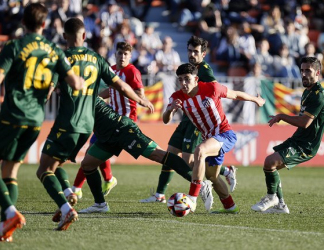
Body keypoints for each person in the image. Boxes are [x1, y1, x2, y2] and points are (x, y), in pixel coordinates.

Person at [0, 3, 82, 242]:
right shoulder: (54, 50)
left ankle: (10, 213)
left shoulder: (14, 46)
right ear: (44, 24)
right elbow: (76, 83)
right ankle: (6, 227)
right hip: (36, 119)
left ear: (23, 23)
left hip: (13, 114)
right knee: (10, 170)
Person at [37, 18, 153, 230]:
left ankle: (68, 202)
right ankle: (81, 189)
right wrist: (143, 101)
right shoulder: (96, 58)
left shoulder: (62, 58)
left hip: (73, 121)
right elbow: (120, 87)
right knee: (74, 159)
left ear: (65, 36)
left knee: (45, 169)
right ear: (84, 36)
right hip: (90, 122)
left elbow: (48, 91)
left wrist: (35, 107)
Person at [140, 36, 237, 208]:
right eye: (190, 51)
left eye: (196, 52)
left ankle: (204, 184)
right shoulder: (189, 70)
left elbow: (216, 90)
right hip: (186, 118)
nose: (192, 54)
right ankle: (160, 194)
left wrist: (206, 107)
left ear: (204, 54)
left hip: (197, 122)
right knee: (170, 154)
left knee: (189, 160)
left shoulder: (204, 70)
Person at [76, 97, 210, 214]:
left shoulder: (79, 90)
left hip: (121, 129)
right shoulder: (77, 91)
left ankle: (201, 184)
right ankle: (100, 205)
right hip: (106, 135)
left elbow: (120, 86)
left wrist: (140, 100)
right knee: (87, 164)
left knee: (158, 155)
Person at [169, 63, 265, 214]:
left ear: (196, 79)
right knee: (212, 176)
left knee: (199, 150)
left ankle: (192, 199)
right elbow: (165, 119)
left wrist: (255, 100)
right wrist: (170, 109)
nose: (183, 83)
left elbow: (235, 94)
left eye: (187, 79)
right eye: (180, 80)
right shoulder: (177, 97)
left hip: (225, 134)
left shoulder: (212, 88)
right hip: (210, 139)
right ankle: (230, 206)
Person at [251, 57, 324, 214]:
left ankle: (272, 197)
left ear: (318, 72)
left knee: (270, 162)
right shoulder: (307, 92)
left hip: (306, 145)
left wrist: (281, 116)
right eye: (302, 70)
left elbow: (304, 122)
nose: (303, 74)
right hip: (298, 139)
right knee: (271, 165)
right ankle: (280, 205)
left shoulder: (319, 95)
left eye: (308, 70)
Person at [70, 41, 147, 199]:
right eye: (120, 53)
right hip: (111, 119)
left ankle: (96, 182)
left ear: (130, 56)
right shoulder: (111, 70)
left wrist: (142, 101)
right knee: (94, 149)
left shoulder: (132, 72)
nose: (122, 57)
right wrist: (96, 98)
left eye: (126, 54)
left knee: (147, 152)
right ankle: (86, 185)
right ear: (116, 54)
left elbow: (140, 93)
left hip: (126, 121)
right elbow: (111, 91)